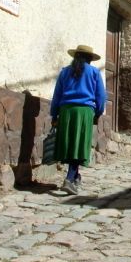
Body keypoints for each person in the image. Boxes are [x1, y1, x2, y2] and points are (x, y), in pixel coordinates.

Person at [50, 44, 106, 195]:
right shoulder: (94, 72)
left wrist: (54, 115)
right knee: (79, 145)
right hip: (84, 112)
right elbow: (101, 96)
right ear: (89, 59)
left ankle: (76, 177)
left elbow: (57, 95)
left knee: (70, 144)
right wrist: (98, 112)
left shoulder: (64, 72)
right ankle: (69, 179)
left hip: (66, 111)